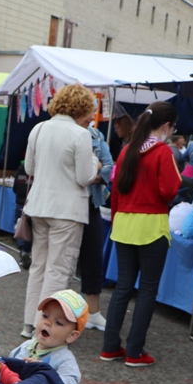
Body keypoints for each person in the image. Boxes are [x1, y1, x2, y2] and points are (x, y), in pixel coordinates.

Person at [101, 100, 180, 367]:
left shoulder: (127, 150)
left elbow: (116, 192)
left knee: (122, 287)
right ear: (166, 126)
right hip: (151, 226)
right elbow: (169, 191)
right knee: (147, 289)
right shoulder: (163, 152)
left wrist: (116, 219)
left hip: (123, 223)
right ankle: (135, 352)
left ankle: (110, 346)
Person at [20, 83, 100, 339]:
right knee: (58, 270)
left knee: (39, 267)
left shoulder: (39, 128)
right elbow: (84, 177)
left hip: (39, 206)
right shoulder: (80, 135)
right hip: (67, 211)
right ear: (81, 108)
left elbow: (29, 168)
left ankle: (30, 323)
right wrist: (95, 162)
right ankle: (47, 327)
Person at [10, 290, 86, 384]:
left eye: (58, 322)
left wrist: (44, 371)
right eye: (45, 316)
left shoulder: (65, 360)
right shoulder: (26, 346)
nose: (48, 323)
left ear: (71, 336)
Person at [77, 124, 114, 331]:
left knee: (93, 258)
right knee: (62, 263)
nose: (93, 115)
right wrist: (95, 168)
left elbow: (109, 166)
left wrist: (91, 175)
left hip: (92, 203)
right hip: (68, 205)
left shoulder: (96, 134)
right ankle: (55, 313)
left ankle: (93, 312)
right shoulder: (63, 131)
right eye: (90, 110)